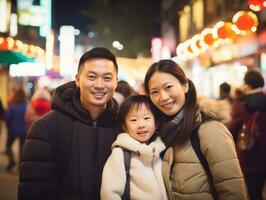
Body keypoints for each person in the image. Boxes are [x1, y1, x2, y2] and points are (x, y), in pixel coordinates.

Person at [18, 47, 119, 200]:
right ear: (78, 79)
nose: (99, 85)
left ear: (116, 82)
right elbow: (34, 191)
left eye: (107, 78)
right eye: (92, 77)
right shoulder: (46, 128)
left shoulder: (123, 127)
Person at [144, 59, 248, 200]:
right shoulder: (158, 132)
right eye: (154, 92)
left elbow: (232, 190)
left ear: (185, 85)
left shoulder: (210, 130)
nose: (163, 97)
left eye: (168, 87)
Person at [101, 95, 167, 200]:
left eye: (146, 118)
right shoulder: (120, 154)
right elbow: (109, 193)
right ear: (124, 126)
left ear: (156, 123)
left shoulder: (160, 151)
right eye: (133, 120)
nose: (141, 125)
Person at [228, 70, 266, 200]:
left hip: (249, 156)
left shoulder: (243, 104)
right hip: (263, 156)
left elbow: (231, 129)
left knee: (251, 192)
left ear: (248, 85)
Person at [5, 88, 27, 171]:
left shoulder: (12, 106)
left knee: (8, 146)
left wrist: (8, 127)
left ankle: (12, 160)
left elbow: (7, 118)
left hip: (12, 130)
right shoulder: (26, 106)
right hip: (23, 130)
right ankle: (21, 166)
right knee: (22, 149)